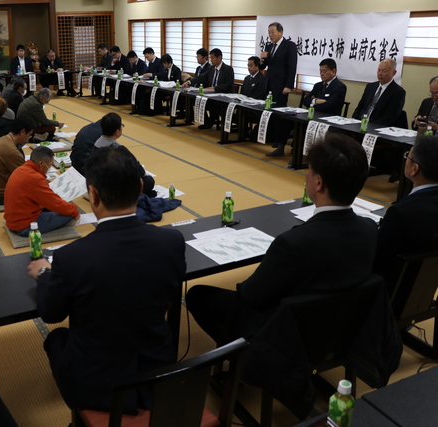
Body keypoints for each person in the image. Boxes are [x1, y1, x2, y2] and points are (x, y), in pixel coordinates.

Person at [27, 144, 186, 412]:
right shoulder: (172, 241)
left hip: (99, 386)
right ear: (140, 187)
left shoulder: (71, 256)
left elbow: (51, 313)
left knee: (57, 338)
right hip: (158, 374)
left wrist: (44, 273)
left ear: (93, 194)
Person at [186, 133, 376, 348]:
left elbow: (252, 295)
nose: (306, 176)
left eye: (309, 170)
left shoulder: (293, 242)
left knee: (198, 295)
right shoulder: (370, 229)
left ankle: (241, 355)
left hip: (287, 334)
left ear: (318, 182)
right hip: (341, 328)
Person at [374, 135, 438, 294]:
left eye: (407, 155)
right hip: (426, 289)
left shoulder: (401, 212)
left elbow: (378, 261)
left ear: (415, 168)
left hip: (392, 292)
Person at [4, 146, 79, 236]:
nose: (50, 167)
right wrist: (74, 211)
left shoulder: (20, 169)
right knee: (68, 215)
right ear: (42, 164)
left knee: (60, 208)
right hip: (25, 226)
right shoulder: (35, 178)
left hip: (13, 220)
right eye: (50, 164)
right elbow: (54, 203)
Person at [92, 113, 156, 196]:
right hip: (113, 190)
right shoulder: (119, 149)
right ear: (117, 132)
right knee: (149, 180)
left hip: (97, 185)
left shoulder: (96, 144)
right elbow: (139, 171)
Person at [258, 22, 298, 156]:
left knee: (280, 114)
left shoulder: (289, 46)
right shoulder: (269, 46)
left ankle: (280, 145)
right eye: (269, 32)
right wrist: (262, 59)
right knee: (270, 112)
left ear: (281, 32)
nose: (270, 35)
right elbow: (263, 67)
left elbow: (292, 66)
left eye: (273, 32)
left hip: (281, 86)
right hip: (269, 84)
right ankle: (272, 138)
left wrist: (289, 85)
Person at [0, 115, 36, 205]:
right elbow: (27, 178)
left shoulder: (2, 139)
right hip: (0, 195)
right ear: (22, 132)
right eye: (29, 135)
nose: (28, 138)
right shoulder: (11, 151)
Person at [181, 48, 234, 129]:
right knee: (198, 99)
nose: (211, 60)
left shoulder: (228, 69)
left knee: (215, 104)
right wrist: (189, 82)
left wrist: (215, 88)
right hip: (211, 93)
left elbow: (228, 85)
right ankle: (207, 122)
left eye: (213, 58)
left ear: (219, 57)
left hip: (223, 94)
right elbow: (202, 77)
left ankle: (211, 123)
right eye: (210, 58)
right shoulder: (212, 68)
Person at [352, 59, 406, 127]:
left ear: (394, 73)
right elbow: (360, 107)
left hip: (376, 127)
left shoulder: (398, 92)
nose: (380, 74)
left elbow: (389, 118)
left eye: (384, 71)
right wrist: (354, 120)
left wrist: (369, 126)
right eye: (379, 70)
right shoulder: (370, 86)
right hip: (360, 123)